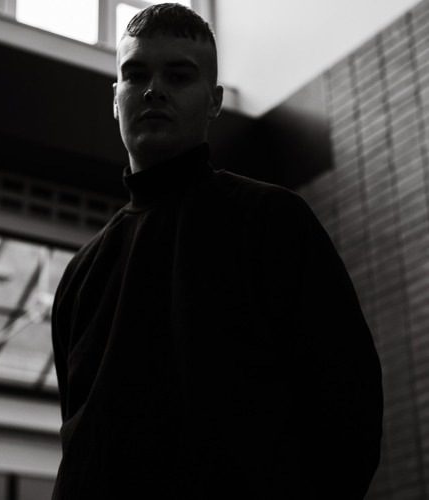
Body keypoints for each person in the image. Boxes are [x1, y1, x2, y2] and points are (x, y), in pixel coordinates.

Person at [51, 4, 383, 499]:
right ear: (115, 99)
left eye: (178, 75)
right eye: (135, 74)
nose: (153, 89)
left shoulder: (271, 222)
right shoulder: (80, 276)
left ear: (215, 101)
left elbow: (348, 407)